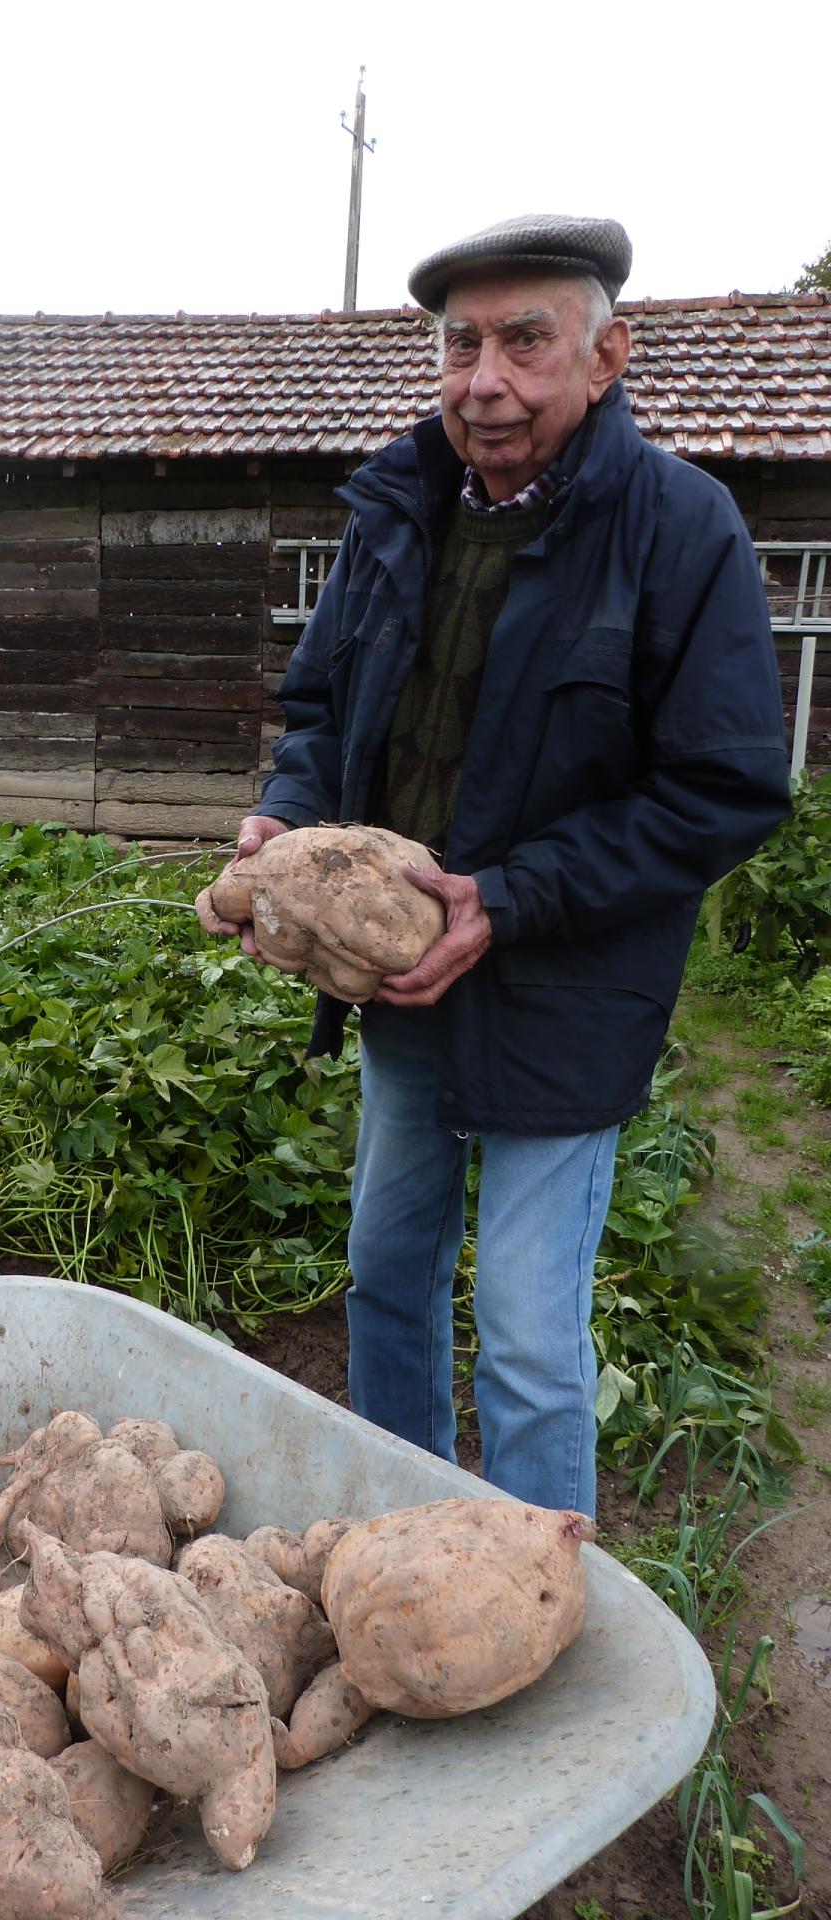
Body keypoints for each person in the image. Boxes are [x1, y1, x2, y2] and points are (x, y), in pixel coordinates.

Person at [207, 214, 791, 1518]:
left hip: (569, 1000)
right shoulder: (395, 514)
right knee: (383, 1278)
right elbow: (318, 718)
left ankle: (534, 1605)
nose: (488, 379)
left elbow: (726, 786)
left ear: (607, 356)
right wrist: (285, 827)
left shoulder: (680, 533)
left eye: (526, 340)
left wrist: (507, 901)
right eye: (463, 342)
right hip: (406, 990)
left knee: (528, 1339)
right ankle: (410, 1535)